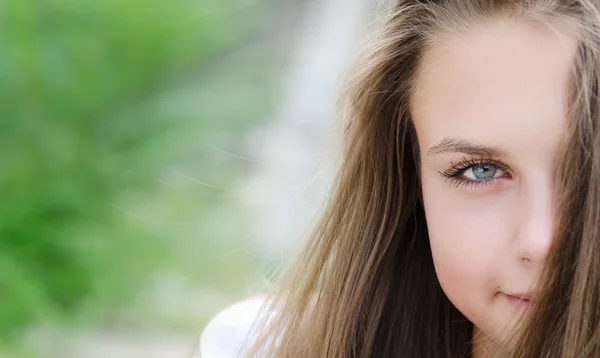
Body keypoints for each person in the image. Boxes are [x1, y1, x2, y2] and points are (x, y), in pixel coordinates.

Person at [200, 0, 600, 357]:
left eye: (589, 175)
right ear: (412, 179)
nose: (542, 240)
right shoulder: (261, 347)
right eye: (481, 170)